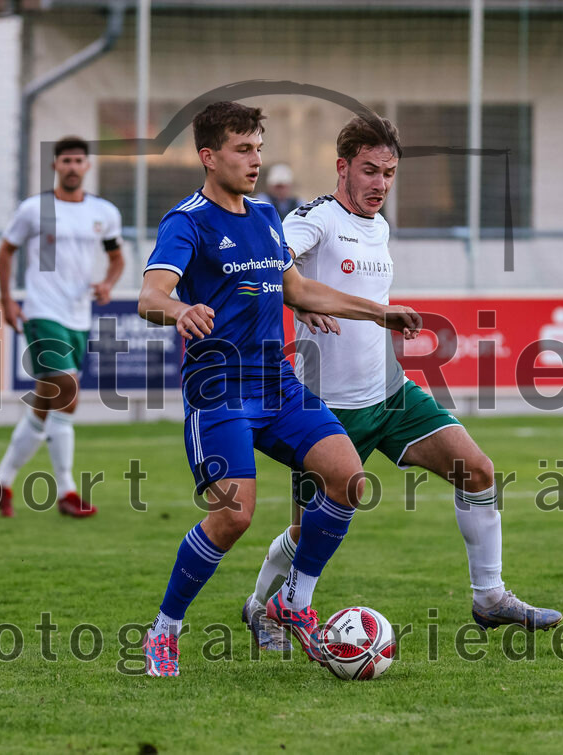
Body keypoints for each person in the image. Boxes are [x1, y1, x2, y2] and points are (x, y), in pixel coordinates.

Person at [242, 115, 563, 652]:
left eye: (389, 173)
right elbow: (268, 263)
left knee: (477, 471)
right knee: (307, 533)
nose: (380, 184)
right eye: (370, 171)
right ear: (342, 167)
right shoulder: (315, 218)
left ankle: (490, 596)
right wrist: (298, 296)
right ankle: (263, 608)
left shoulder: (379, 226)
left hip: (389, 395)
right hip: (325, 408)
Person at [137, 101, 421, 677]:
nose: (255, 161)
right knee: (234, 517)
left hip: (279, 386)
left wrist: (379, 313)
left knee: (348, 478)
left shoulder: (267, 215)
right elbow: (150, 297)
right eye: (243, 150)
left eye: (259, 148)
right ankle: (163, 631)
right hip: (219, 392)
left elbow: (300, 291)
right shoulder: (186, 221)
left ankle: (291, 604)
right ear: (208, 156)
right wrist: (179, 308)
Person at [0, 136, 125, 518]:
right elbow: (5, 250)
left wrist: (108, 284)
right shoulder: (36, 209)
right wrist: (5, 300)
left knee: (47, 402)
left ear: (87, 167)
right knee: (68, 389)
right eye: (65, 160)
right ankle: (66, 490)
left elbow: (116, 258)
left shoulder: (104, 212)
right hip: (42, 311)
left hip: (79, 315)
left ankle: (1, 481)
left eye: (78, 160)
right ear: (54, 166)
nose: (71, 167)